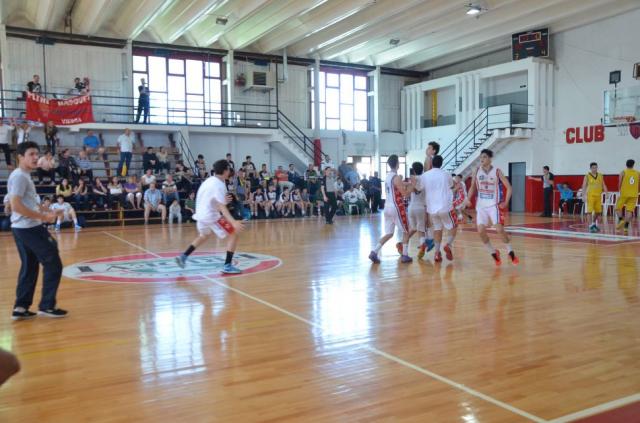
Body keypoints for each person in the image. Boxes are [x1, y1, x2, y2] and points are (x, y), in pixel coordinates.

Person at [7, 141, 67, 319]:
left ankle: (21, 308)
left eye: (36, 154)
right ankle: (47, 306)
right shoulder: (19, 177)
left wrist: (49, 210)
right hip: (29, 229)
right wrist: (44, 218)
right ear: (20, 157)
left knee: (30, 266)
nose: (35, 157)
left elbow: (30, 203)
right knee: (53, 263)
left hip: (21, 228)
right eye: (31, 154)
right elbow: (16, 206)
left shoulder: (23, 175)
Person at [175, 159, 244, 273]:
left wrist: (223, 202)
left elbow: (213, 202)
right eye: (228, 169)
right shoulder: (219, 185)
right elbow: (221, 207)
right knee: (234, 233)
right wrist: (233, 222)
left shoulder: (209, 181)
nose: (229, 171)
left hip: (200, 215)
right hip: (211, 217)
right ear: (225, 170)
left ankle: (183, 257)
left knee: (204, 235)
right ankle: (227, 265)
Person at [465, 149, 519, 265]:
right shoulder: (476, 171)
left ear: (490, 158)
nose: (482, 159)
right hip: (481, 206)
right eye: (481, 158)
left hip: (493, 205)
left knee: (499, 229)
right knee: (480, 231)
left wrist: (506, 202)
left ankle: (510, 251)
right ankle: (493, 252)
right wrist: (467, 199)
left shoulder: (497, 171)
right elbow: (472, 187)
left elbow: (509, 187)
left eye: (484, 157)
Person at [369, 155, 414, 264]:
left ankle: (374, 252)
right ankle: (405, 255)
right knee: (406, 231)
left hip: (387, 207)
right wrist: (412, 186)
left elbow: (397, 184)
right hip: (396, 207)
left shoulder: (388, 176)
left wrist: (406, 183)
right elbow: (405, 194)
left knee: (389, 233)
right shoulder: (397, 177)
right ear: (398, 164)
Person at [420, 155, 458, 263]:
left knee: (437, 229)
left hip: (432, 208)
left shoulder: (425, 175)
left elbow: (419, 188)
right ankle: (448, 245)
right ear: (442, 163)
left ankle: (437, 253)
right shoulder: (446, 174)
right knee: (454, 225)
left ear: (432, 163)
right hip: (444, 206)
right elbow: (452, 185)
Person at [407, 162, 428, 259]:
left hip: (411, 207)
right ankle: (422, 244)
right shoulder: (425, 179)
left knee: (413, 228)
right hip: (421, 207)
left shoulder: (412, 180)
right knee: (421, 229)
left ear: (414, 170)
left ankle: (403, 244)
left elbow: (407, 192)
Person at [580, 162, 608, 233]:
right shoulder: (587, 176)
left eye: (596, 167)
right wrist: (583, 195)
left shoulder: (600, 175)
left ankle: (593, 223)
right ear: (590, 168)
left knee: (598, 212)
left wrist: (606, 192)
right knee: (589, 212)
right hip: (590, 196)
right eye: (593, 168)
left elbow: (603, 185)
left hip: (598, 196)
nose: (594, 169)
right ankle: (591, 226)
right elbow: (584, 186)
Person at [615, 159, 639, 234]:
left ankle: (621, 219)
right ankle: (626, 227)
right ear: (633, 165)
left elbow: (620, 183)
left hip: (624, 193)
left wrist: (619, 190)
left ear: (626, 164)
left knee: (617, 208)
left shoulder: (623, 172)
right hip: (634, 194)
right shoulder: (638, 173)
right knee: (629, 211)